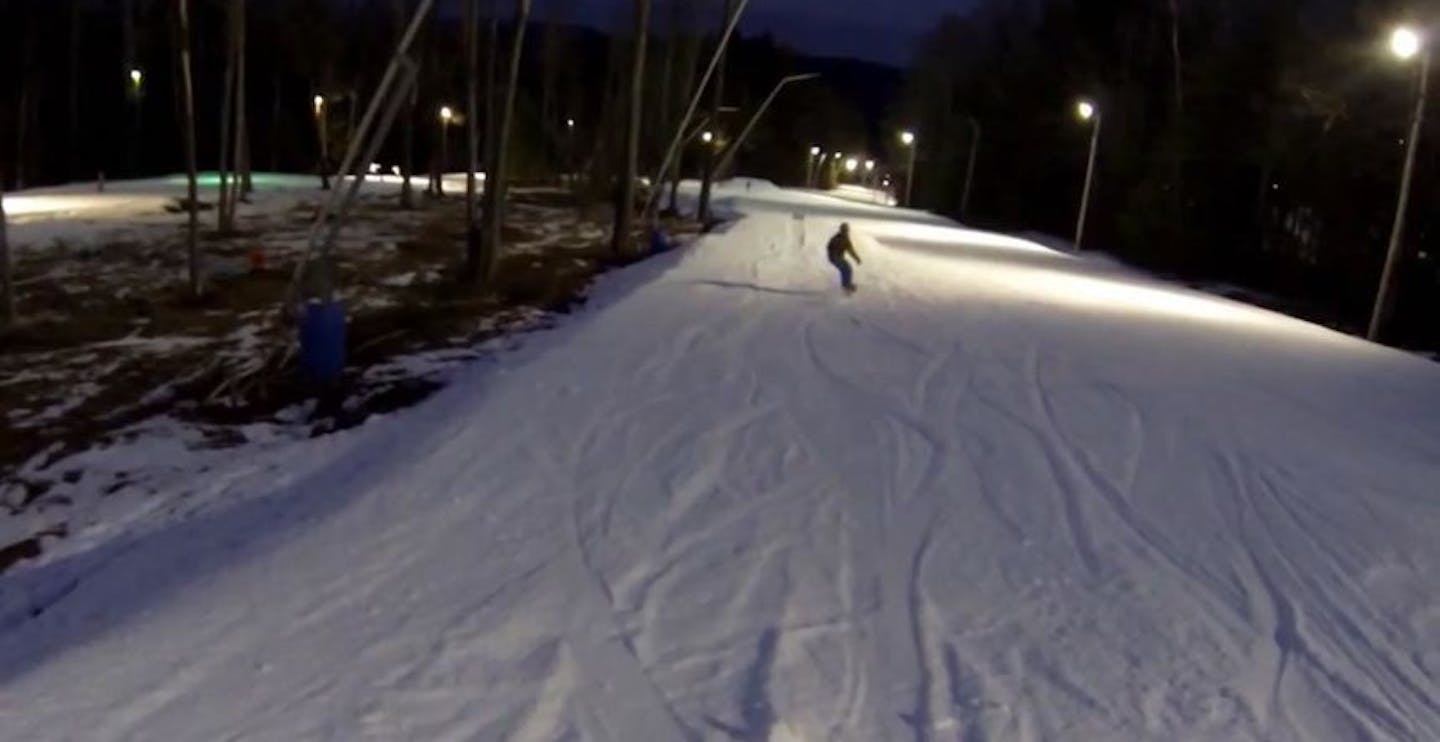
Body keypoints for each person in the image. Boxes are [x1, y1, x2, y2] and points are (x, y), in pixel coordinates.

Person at [826, 223, 862, 293]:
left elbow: (851, 250)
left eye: (846, 231)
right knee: (846, 268)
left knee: (847, 269)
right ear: (841, 230)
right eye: (844, 231)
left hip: (839, 258)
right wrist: (834, 256)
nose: (845, 232)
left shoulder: (846, 239)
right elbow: (829, 248)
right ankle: (846, 285)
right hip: (834, 258)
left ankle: (846, 285)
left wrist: (856, 258)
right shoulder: (836, 238)